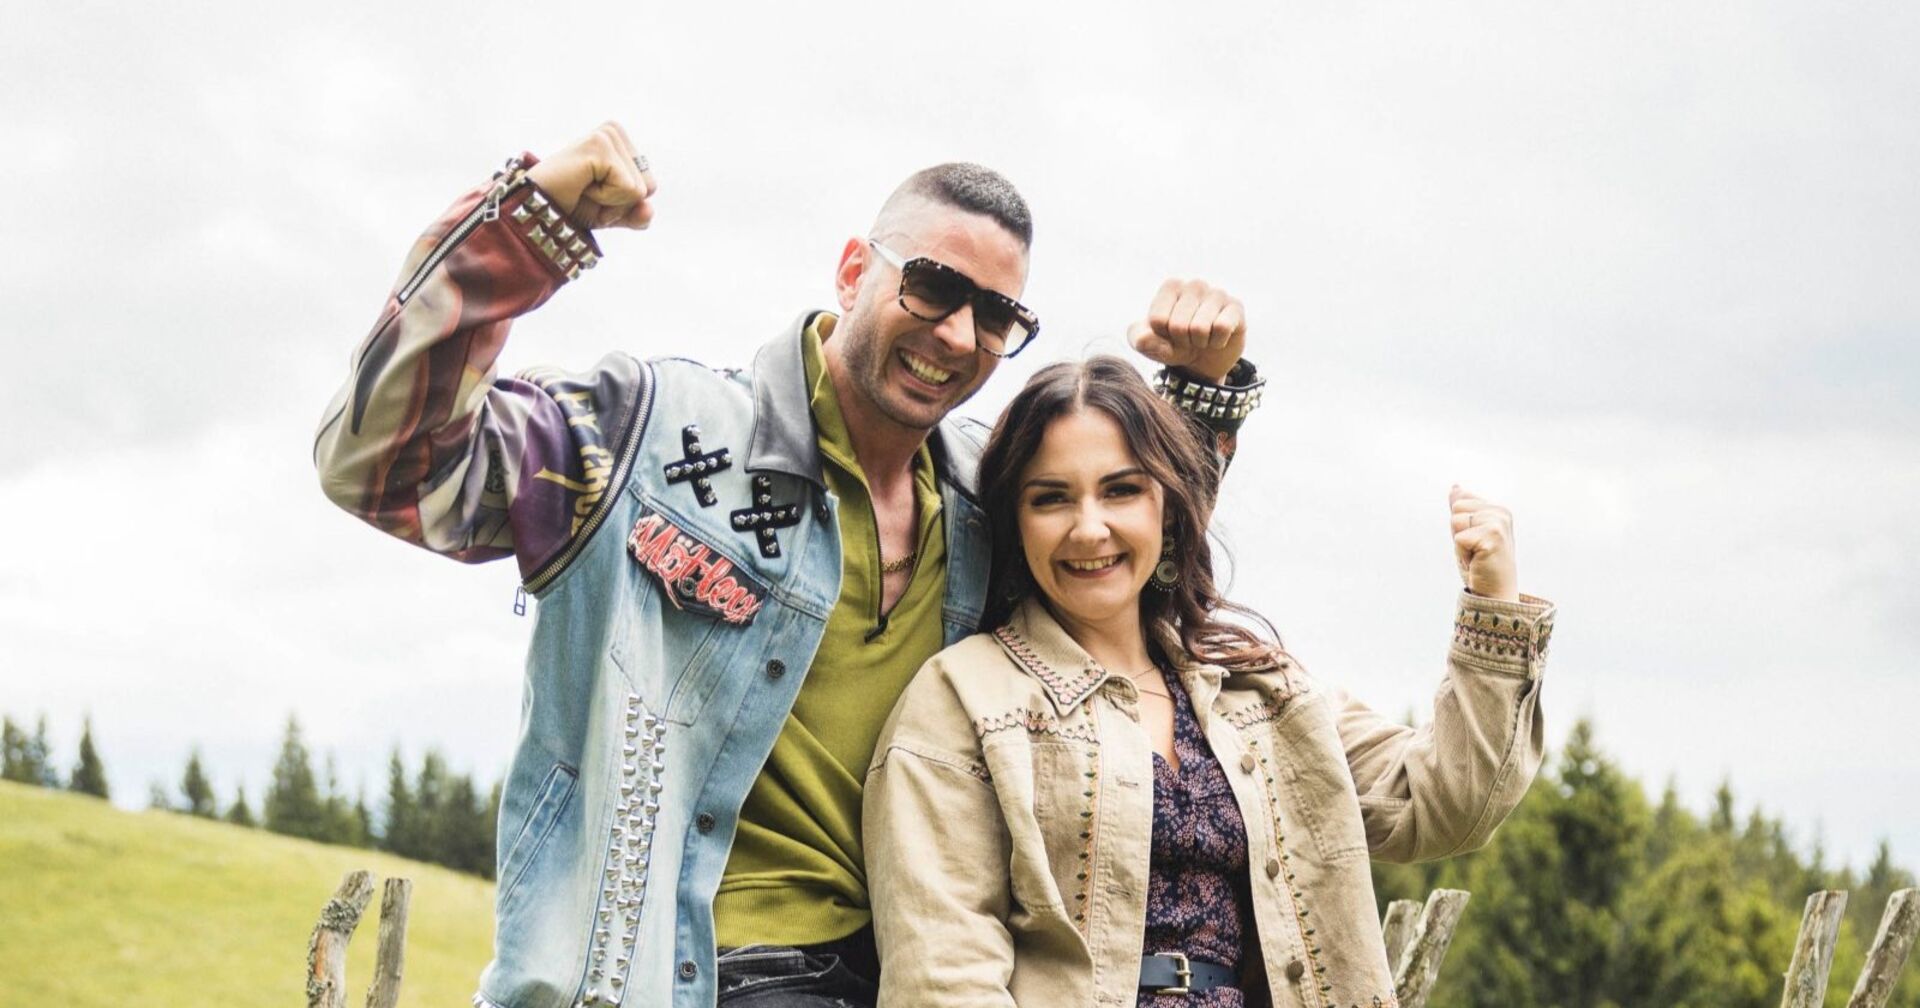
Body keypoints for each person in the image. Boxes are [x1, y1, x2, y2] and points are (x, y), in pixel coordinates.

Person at [312, 122, 1269, 1008]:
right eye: (932, 286)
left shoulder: (991, 502)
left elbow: (1134, 565)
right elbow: (386, 468)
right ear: (854, 269)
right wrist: (527, 229)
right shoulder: (647, 437)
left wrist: (1204, 393)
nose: (956, 336)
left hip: (910, 974)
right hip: (660, 972)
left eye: (994, 315)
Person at [863, 357, 1557, 1006]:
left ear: (1167, 508)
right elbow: (944, 974)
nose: (1089, 527)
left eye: (1122, 490)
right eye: (1051, 499)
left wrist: (1491, 606)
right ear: (1015, 523)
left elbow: (1446, 802)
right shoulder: (963, 697)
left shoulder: (1261, 695)